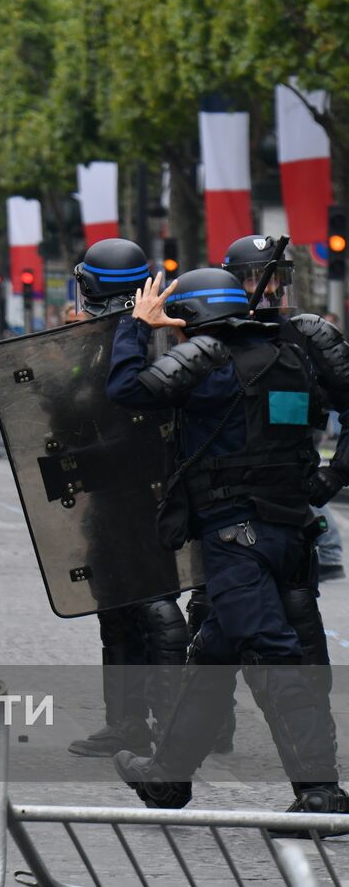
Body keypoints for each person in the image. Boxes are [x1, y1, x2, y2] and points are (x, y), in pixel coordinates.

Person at [107, 268, 349, 815]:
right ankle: (168, 777)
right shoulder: (287, 358)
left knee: (273, 656)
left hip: (236, 538)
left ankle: (318, 789)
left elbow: (127, 390)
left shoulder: (209, 361)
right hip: (288, 535)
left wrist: (136, 326)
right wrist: (332, 479)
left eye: (178, 322)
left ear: (192, 317)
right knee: (212, 656)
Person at [55, 238, 191, 759]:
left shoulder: (133, 339)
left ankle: (169, 723)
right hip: (123, 489)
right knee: (118, 607)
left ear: (88, 287)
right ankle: (132, 723)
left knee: (152, 605)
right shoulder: (168, 334)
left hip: (138, 491)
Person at [221, 234, 344, 582]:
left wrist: (336, 472)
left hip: (290, 501)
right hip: (226, 506)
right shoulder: (212, 340)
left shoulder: (306, 337)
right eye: (253, 277)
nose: (267, 287)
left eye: (274, 277)